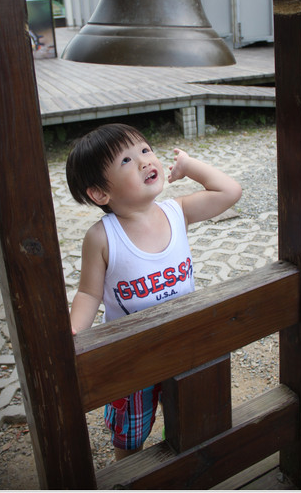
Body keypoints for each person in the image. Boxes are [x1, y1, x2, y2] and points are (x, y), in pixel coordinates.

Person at [66, 123, 242, 461]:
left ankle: (179, 451)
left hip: (183, 342)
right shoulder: (102, 237)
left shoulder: (177, 211)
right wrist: (75, 331)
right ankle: (129, 474)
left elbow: (229, 191)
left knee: (189, 412)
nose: (145, 161)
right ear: (100, 194)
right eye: (126, 160)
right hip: (131, 356)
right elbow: (88, 294)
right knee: (131, 433)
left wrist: (189, 166)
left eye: (145, 150)